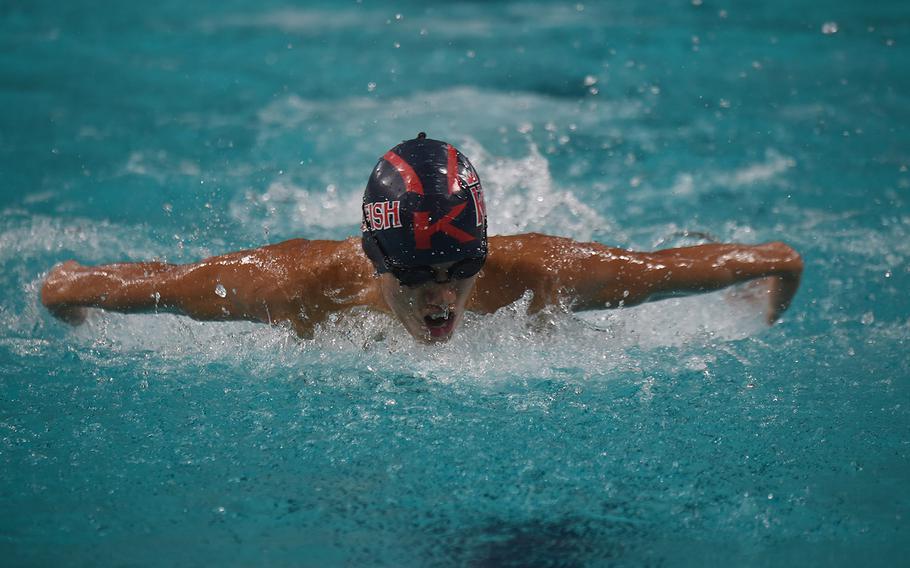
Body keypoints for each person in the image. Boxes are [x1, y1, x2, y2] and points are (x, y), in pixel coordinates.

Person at [41, 133, 803, 343]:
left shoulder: (536, 273)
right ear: (376, 262)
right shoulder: (291, 286)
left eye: (459, 272)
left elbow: (666, 270)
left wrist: (773, 276)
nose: (442, 299)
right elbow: (138, 286)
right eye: (417, 280)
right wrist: (68, 290)